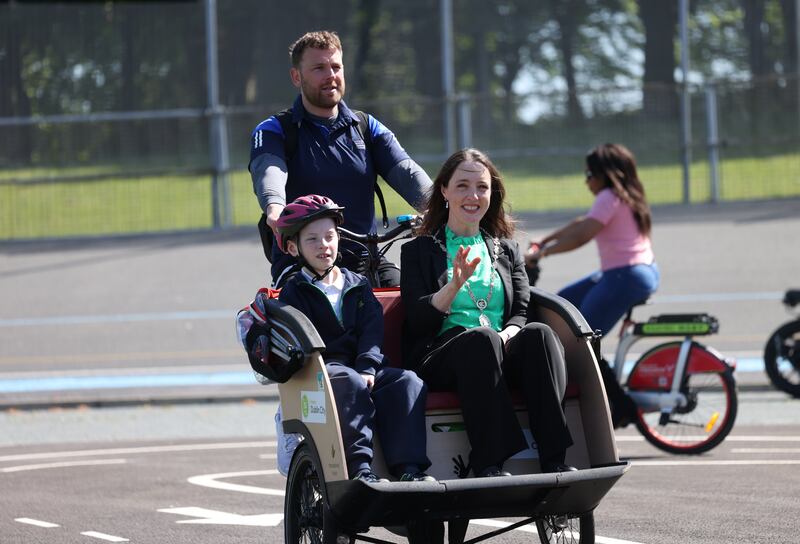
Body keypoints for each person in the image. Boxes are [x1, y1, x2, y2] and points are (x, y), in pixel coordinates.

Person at [400, 148, 575, 478]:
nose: (473, 195)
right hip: (442, 354)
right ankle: (489, 461)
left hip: (499, 349)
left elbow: (521, 310)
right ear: (444, 191)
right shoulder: (418, 251)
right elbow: (418, 319)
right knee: (481, 340)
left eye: (481, 187)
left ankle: (554, 458)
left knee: (541, 335)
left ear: (491, 194)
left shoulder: (506, 249)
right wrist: (454, 285)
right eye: (463, 186)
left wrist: (510, 333)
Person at [249, 30, 432, 288]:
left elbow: (406, 171)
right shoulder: (274, 129)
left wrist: (440, 207)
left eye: (336, 66)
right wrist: (275, 208)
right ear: (296, 76)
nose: (330, 75)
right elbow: (269, 170)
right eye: (319, 68)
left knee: (416, 304)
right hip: (303, 263)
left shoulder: (365, 127)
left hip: (366, 259)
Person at [277, 194, 433, 483]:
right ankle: (360, 467)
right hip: (324, 372)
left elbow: (372, 331)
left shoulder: (357, 284)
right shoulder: (293, 292)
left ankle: (409, 469)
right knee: (347, 381)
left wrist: (367, 366)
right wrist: (353, 372)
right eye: (312, 239)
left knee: (407, 381)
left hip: (364, 367)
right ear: (292, 247)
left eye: (330, 236)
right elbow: (298, 338)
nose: (324, 245)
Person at [526, 143, 660, 427]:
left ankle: (621, 406)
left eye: (588, 173)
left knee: (579, 337)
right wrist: (546, 240)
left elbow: (584, 234)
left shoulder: (609, 196)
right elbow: (583, 222)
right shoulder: (625, 195)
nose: (586, 180)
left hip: (625, 277)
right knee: (561, 308)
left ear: (604, 174)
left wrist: (543, 253)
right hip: (634, 273)